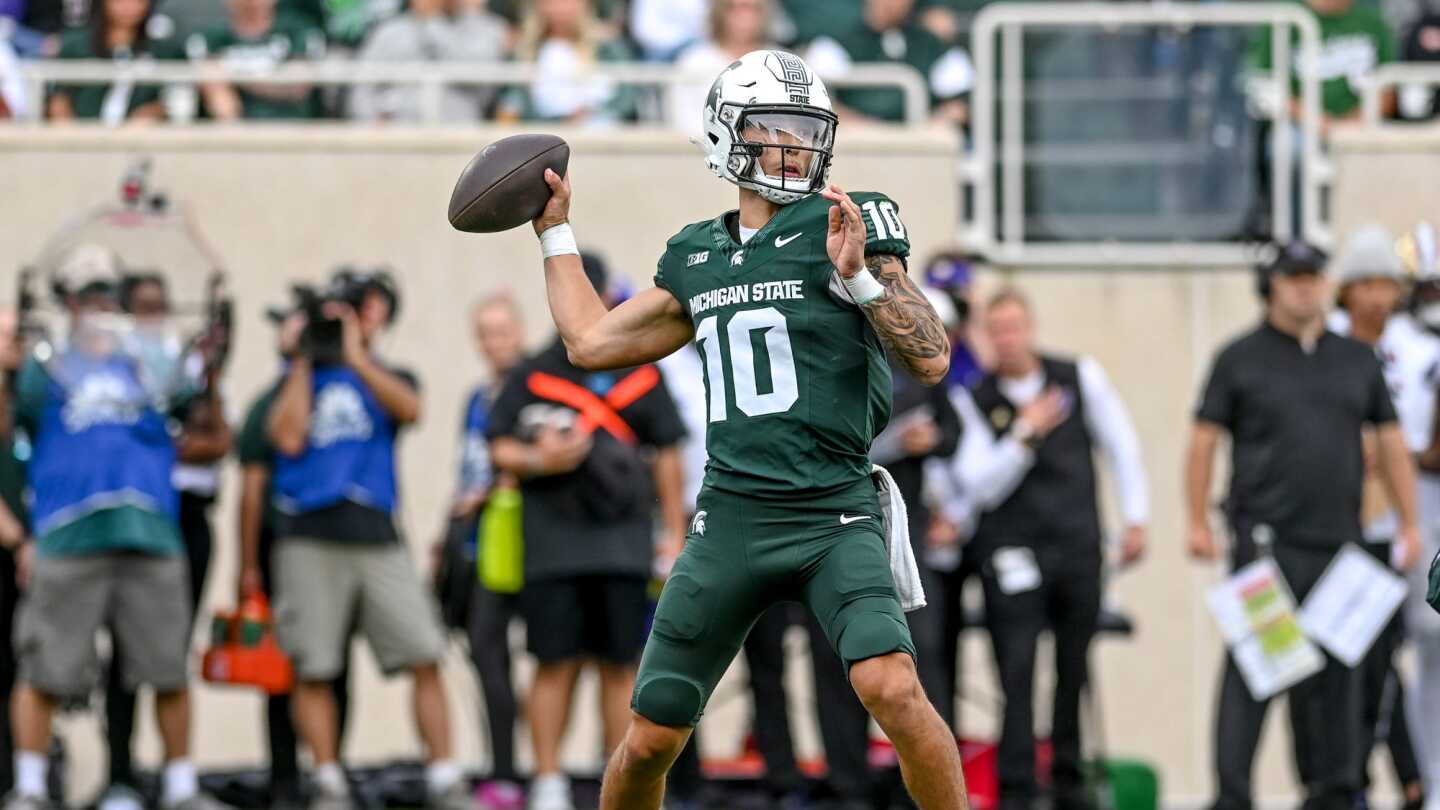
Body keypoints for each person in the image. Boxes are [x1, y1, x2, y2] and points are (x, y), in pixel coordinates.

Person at [523, 48, 965, 810]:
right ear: (725, 134)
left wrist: (860, 277)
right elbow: (590, 341)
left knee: (891, 686)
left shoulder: (845, 221)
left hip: (833, 510)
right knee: (649, 740)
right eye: (775, 129)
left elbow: (931, 358)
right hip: (731, 516)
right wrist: (556, 234)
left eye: (807, 131)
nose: (795, 147)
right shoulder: (696, 254)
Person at [1186, 240, 1422, 810]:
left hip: (1341, 543)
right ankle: (1233, 796)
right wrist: (1196, 520)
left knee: (1341, 675)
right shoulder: (1240, 358)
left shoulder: (1356, 359)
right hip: (1266, 543)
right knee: (1259, 668)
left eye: (1313, 276)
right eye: (1293, 278)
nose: (1304, 288)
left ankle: (1334, 792)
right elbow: (1204, 441)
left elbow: (1390, 441)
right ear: (1271, 286)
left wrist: (1411, 521)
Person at [3, 276, 229, 810]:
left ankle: (181, 789)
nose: (98, 310)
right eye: (88, 299)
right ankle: (30, 788)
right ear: (71, 306)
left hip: (148, 531)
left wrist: (211, 361)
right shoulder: (45, 366)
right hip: (68, 534)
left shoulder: (151, 366)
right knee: (44, 668)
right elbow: (13, 425)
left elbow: (204, 422)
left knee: (167, 667)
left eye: (108, 299)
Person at [486, 254, 688, 810]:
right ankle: (548, 781)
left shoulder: (639, 367)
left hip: (623, 546)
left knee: (620, 665)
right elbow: (498, 445)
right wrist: (539, 458)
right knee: (554, 663)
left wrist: (674, 534)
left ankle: (616, 779)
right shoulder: (533, 372)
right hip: (552, 546)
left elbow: (668, 452)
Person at [264, 271, 470, 810]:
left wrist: (356, 354)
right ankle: (328, 780)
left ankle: (444, 776)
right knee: (313, 664)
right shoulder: (298, 376)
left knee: (424, 650)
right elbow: (287, 436)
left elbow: (410, 409)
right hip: (308, 534)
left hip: (377, 533)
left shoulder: (387, 373)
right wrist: (304, 357)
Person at [952, 288, 1148, 810]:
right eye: (996, 330)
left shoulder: (1077, 377)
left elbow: (1122, 444)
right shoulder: (974, 398)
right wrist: (1025, 434)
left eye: (1014, 327)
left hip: (1077, 545)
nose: (1007, 339)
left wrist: (1136, 516)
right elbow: (979, 484)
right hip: (1010, 552)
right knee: (1015, 672)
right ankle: (1016, 787)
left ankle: (1068, 781)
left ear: (1031, 328)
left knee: (1073, 668)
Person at [656, 341, 811, 810]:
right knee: (686, 659)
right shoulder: (663, 367)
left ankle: (782, 779)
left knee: (769, 661)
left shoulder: (747, 345)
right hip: (694, 525)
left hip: (756, 518)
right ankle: (685, 785)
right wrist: (669, 531)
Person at [101, 274, 233, 810]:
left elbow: (216, 439)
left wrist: (210, 373)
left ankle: (178, 782)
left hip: (186, 518)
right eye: (143, 306)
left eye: (161, 305)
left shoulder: (187, 365)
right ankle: (120, 777)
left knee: (169, 652)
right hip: (134, 519)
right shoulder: (110, 367)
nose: (153, 315)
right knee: (123, 655)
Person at [1327, 225, 1429, 810]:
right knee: (1344, 662)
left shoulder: (1413, 351)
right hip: (1332, 526)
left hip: (1389, 526)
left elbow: (1409, 442)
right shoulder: (1326, 345)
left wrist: (1410, 519)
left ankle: (1400, 779)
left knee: (1383, 661)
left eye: (1386, 285)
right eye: (1364, 285)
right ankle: (1358, 780)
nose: (1375, 298)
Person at [236, 308, 353, 810]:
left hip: (334, 544)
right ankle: (284, 777)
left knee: (332, 664)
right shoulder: (269, 402)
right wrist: (247, 564)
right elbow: (250, 492)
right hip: (282, 544)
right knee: (281, 669)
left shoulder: (346, 389)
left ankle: (331, 772)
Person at [443, 294, 526, 810]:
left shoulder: (533, 387)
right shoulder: (476, 398)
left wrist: (497, 487)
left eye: (502, 331)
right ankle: (503, 771)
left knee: (553, 661)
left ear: (519, 333)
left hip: (525, 546)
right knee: (486, 656)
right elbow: (465, 470)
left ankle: (537, 771)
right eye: (485, 333)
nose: (494, 343)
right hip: (477, 549)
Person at [803, 0, 972, 124]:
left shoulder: (930, 45)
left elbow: (959, 105)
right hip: (856, 146)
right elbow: (815, 104)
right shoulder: (835, 42)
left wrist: (926, 127)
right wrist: (870, 129)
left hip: (917, 147)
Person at [347, 0, 508, 123]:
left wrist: (432, 21)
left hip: (458, 131)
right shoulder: (389, 31)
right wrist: (370, 121)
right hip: (395, 134)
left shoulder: (487, 28)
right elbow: (362, 88)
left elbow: (481, 82)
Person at [495, 0, 636, 125]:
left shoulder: (607, 48)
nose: (560, 8)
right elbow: (513, 101)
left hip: (599, 130)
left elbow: (625, 98)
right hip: (544, 132)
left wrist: (591, 115)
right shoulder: (525, 50)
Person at [186, 0, 327, 121]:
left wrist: (237, 77)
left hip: (291, 126)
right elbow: (216, 92)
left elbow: (297, 86)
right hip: (237, 129)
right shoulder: (212, 37)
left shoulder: (298, 31)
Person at [46, 0, 180, 124]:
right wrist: (72, 134)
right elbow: (58, 99)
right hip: (81, 132)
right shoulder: (75, 45)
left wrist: (154, 112)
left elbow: (173, 99)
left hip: (139, 137)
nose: (128, 6)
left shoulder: (162, 50)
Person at [665, 0, 773, 134]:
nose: (745, 17)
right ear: (721, 12)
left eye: (753, 9)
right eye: (735, 8)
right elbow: (683, 119)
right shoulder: (693, 61)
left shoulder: (777, 61)